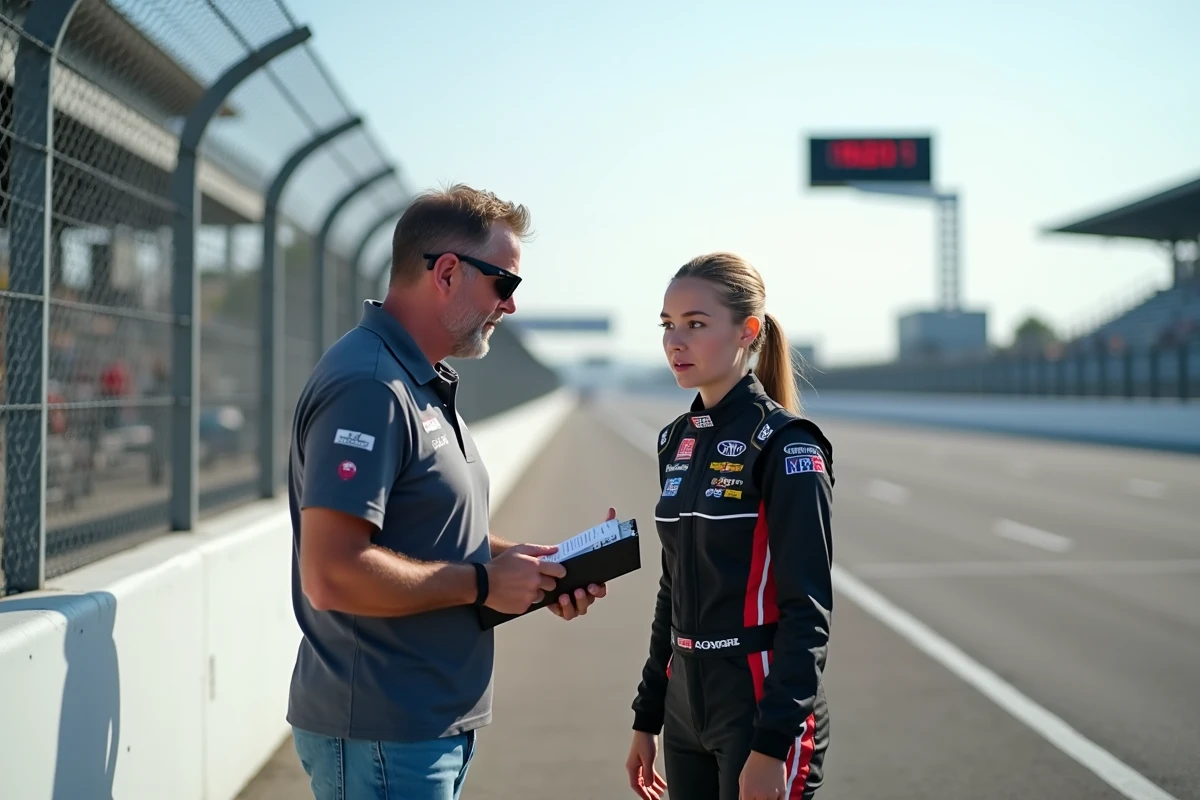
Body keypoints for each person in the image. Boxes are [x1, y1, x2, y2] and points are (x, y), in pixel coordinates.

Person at [285, 183, 608, 800]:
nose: (509, 306)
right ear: (449, 272)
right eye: (504, 285)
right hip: (384, 734)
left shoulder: (418, 380)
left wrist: (530, 567)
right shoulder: (371, 385)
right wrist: (486, 584)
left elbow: (426, 528)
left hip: (420, 728)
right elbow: (330, 572)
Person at [625, 252, 835, 800]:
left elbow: (807, 612)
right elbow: (672, 589)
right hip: (684, 703)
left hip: (759, 705)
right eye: (668, 325)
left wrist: (771, 746)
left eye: (695, 324)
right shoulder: (675, 440)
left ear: (748, 331)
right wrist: (647, 717)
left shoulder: (789, 445)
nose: (676, 341)